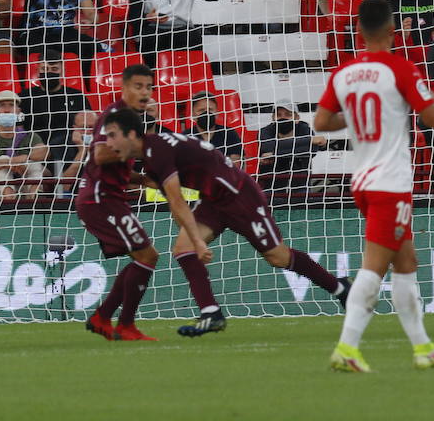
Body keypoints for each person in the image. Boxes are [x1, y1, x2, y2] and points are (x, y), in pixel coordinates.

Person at [104, 110, 351, 337]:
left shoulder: (156, 151)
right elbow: (158, 184)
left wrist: (200, 241)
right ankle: (211, 313)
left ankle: (340, 287)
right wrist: (128, 178)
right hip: (214, 199)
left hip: (239, 196)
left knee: (278, 257)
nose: (109, 142)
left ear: (132, 134)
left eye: (113, 136)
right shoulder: (153, 152)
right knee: (183, 249)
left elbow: (177, 200)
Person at [314, 0, 434, 373]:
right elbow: (432, 119)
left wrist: (361, 117)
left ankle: (423, 348)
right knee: (374, 269)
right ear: (393, 31)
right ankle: (347, 347)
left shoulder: (344, 74)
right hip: (390, 181)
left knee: (406, 262)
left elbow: (321, 122)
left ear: (360, 32)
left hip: (362, 178)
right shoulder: (400, 68)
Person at [78, 64, 162, 341]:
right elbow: (101, 156)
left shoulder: (127, 117)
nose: (145, 92)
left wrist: (142, 180)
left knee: (144, 256)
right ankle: (122, 323)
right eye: (138, 86)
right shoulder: (115, 116)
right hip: (101, 201)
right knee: (147, 255)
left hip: (110, 199)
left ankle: (104, 317)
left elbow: (114, 164)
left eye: (148, 87)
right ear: (124, 87)